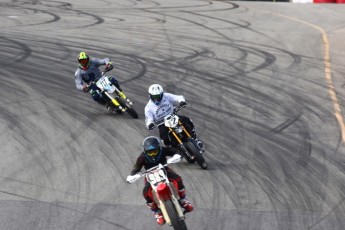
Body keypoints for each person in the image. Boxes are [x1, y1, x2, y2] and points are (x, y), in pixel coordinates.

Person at [127, 136, 193, 225]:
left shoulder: (164, 150)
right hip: (149, 175)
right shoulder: (142, 157)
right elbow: (135, 169)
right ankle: (156, 212)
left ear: (159, 148)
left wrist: (176, 156)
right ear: (145, 151)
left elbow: (177, 151)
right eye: (150, 153)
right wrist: (132, 176)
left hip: (164, 169)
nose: (153, 154)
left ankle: (183, 199)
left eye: (155, 151)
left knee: (178, 179)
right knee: (145, 192)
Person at [144, 84, 204, 149]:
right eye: (154, 96)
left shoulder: (166, 96)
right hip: (162, 123)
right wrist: (150, 124)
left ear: (162, 94)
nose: (156, 99)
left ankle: (195, 139)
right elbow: (149, 119)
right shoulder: (148, 108)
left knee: (186, 120)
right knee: (163, 135)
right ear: (150, 96)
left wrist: (182, 101)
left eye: (158, 96)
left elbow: (177, 97)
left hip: (173, 116)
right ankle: (172, 148)